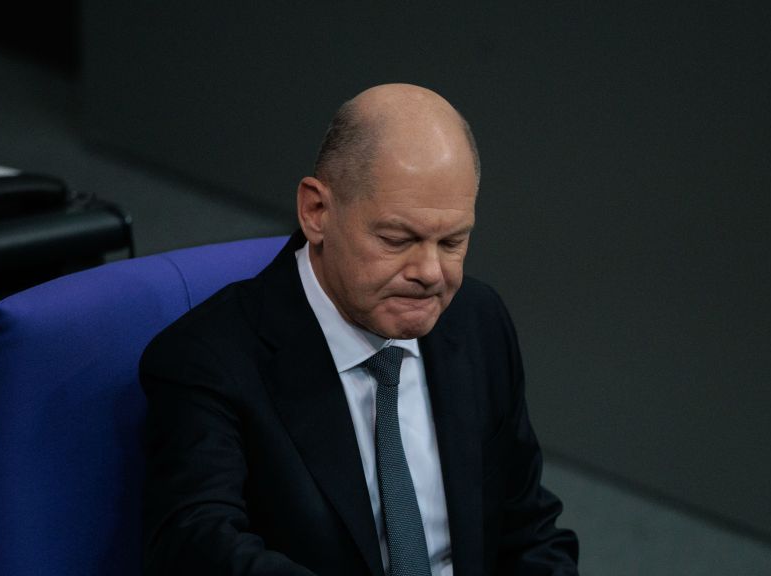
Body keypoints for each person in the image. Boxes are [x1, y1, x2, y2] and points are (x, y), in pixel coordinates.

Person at [140, 83, 579, 575]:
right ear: (317, 212)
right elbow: (200, 547)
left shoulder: (477, 321)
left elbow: (529, 527)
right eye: (398, 239)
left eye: (453, 241)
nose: (431, 272)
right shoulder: (208, 360)